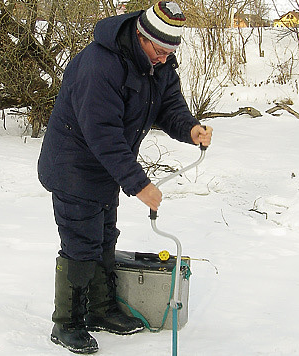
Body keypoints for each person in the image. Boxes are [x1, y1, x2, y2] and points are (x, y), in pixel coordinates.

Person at [37, 1, 212, 354]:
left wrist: (190, 128)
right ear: (141, 36)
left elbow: (168, 104)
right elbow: (102, 133)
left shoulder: (156, 61)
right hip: (74, 167)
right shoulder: (99, 65)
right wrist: (139, 184)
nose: (165, 59)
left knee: (104, 238)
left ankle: (101, 311)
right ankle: (67, 324)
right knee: (81, 244)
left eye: (170, 52)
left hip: (105, 170)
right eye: (160, 51)